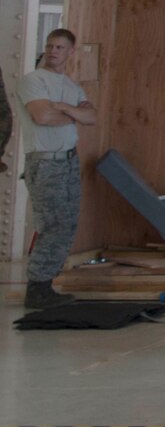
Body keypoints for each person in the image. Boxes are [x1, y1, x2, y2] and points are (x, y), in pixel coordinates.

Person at [15, 28, 97, 310]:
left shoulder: (71, 87)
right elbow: (42, 116)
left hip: (68, 162)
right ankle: (37, 287)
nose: (53, 51)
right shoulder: (33, 81)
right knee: (53, 225)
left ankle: (46, 284)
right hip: (45, 162)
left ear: (71, 52)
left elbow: (92, 116)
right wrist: (73, 113)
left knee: (67, 224)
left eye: (60, 47)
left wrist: (65, 108)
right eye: (50, 46)